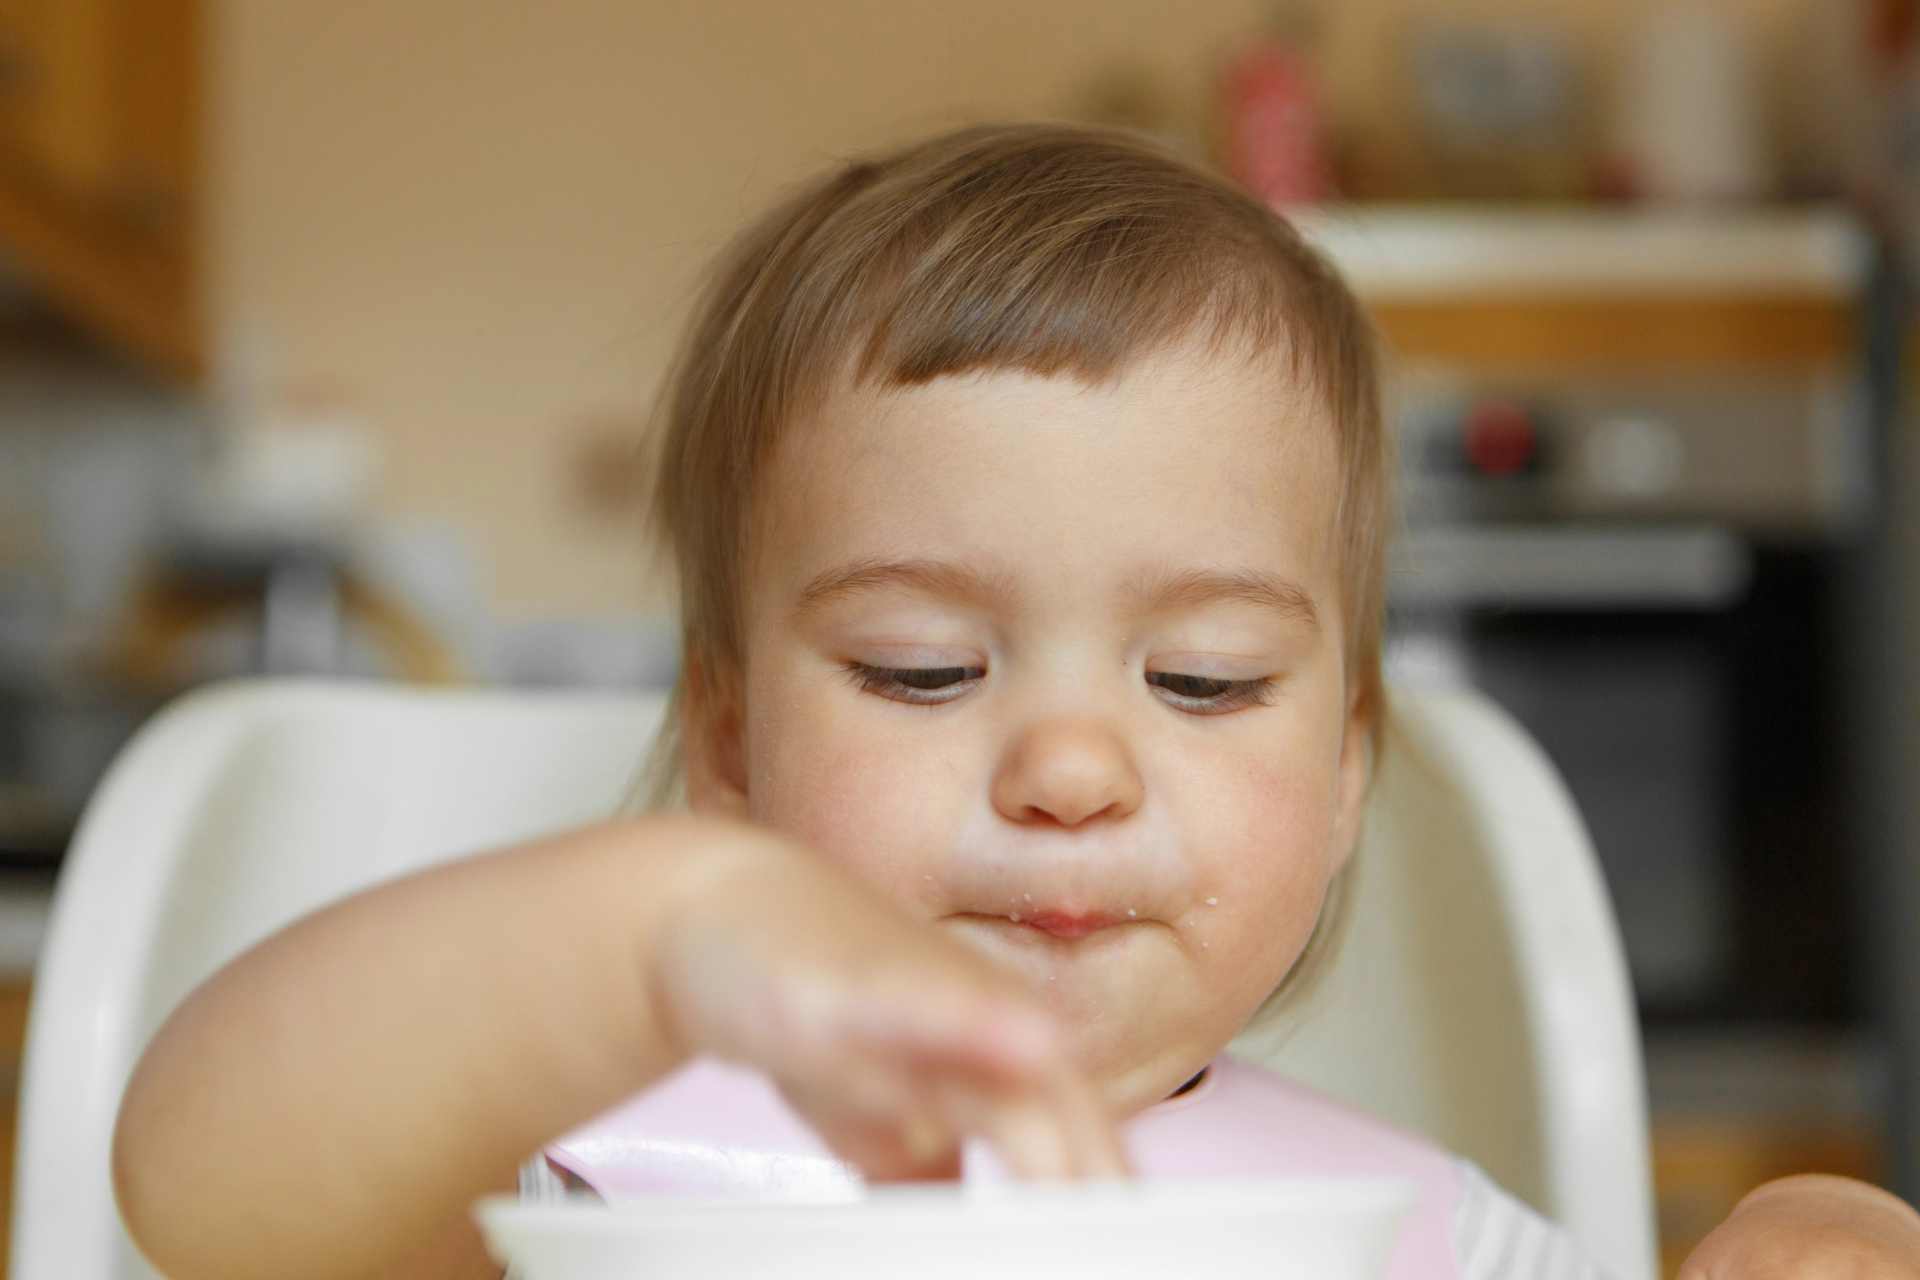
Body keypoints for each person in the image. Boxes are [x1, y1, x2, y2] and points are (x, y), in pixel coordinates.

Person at [110, 123, 1920, 1280]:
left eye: (1204, 680)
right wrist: (654, 935)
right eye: (924, 670)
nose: (1067, 766)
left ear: (1352, 766)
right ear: (732, 746)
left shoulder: (1417, 1240)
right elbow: (202, 1192)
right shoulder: (613, 1180)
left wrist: (1804, 1235)